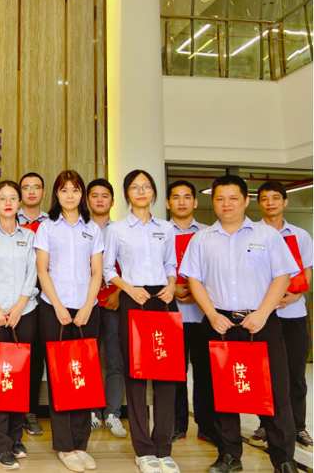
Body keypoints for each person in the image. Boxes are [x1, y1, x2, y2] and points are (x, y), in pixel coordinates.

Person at [180, 175, 301, 473]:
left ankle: (283, 459)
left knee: (275, 391)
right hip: (220, 322)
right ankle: (230, 455)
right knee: (223, 393)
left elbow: (283, 275)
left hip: (261, 321)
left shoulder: (267, 235)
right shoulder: (202, 239)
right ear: (213, 202)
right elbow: (194, 279)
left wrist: (262, 313)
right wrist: (211, 314)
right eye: (220, 199)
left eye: (233, 198)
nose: (227, 204)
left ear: (246, 201)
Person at [103, 170, 180, 473]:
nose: (141, 191)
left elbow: (170, 263)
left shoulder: (166, 228)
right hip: (133, 299)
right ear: (127, 193)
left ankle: (163, 447)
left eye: (146, 186)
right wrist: (128, 288)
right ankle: (144, 449)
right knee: (136, 374)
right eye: (135, 187)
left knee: (166, 375)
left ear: (153, 192)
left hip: (163, 299)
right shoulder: (117, 229)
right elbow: (108, 269)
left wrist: (171, 285)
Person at [34, 170, 103, 473]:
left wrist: (88, 305)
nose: (70, 195)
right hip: (54, 310)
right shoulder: (47, 227)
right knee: (60, 377)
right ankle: (65, 446)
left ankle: (81, 443)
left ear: (81, 194)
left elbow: (97, 271)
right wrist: (59, 306)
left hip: (87, 310)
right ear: (57, 195)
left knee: (84, 377)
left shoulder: (93, 228)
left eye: (75, 190)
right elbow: (42, 270)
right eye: (64, 190)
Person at [0, 181, 38, 470]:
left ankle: (15, 437)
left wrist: (20, 305)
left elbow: (32, 273)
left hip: (25, 312)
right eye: (3, 198)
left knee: (19, 376)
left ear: (19, 203)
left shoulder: (29, 236)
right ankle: (0, 445)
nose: (9, 202)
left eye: (14, 197)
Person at [252, 181, 313, 450]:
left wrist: (297, 294)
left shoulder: (300, 235)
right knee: (264, 375)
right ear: (259, 203)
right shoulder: (252, 234)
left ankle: (298, 426)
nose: (270, 203)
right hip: (263, 315)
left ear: (284, 202)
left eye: (275, 198)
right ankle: (266, 425)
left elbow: (307, 270)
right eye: (265, 199)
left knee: (295, 375)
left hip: (294, 313)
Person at [164, 180, 218, 446]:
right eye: (176, 197)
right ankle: (177, 426)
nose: (182, 202)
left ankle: (207, 427)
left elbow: (217, 272)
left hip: (203, 315)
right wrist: (172, 287)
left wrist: (196, 292)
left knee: (205, 374)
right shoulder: (160, 232)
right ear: (168, 203)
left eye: (187, 197)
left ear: (195, 202)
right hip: (170, 315)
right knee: (174, 375)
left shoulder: (209, 233)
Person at [87, 178, 127, 439]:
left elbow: (132, 266)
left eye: (105, 195)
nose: (100, 199)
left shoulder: (122, 230)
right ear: (87, 200)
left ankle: (112, 413)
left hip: (114, 302)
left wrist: (120, 293)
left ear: (112, 200)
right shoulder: (80, 228)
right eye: (95, 195)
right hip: (86, 304)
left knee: (115, 359)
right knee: (88, 358)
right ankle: (90, 411)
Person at [17, 172, 47, 437]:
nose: (31, 191)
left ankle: (30, 411)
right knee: (14, 355)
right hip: (14, 299)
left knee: (36, 356)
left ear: (43, 193)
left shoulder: (53, 222)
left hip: (44, 298)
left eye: (36, 187)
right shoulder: (7, 219)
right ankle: (10, 409)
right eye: (26, 187)